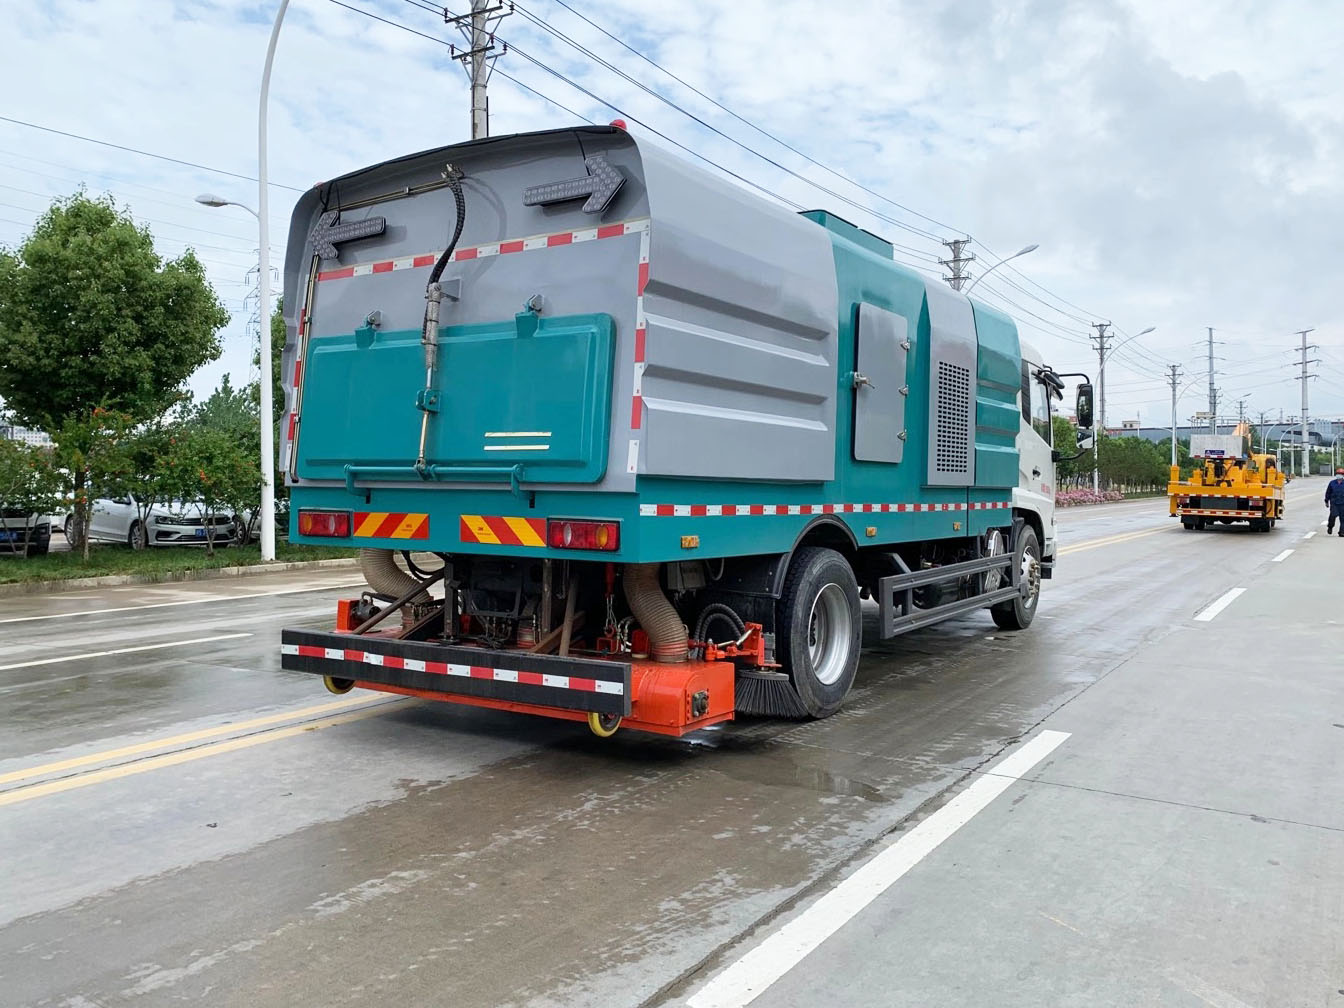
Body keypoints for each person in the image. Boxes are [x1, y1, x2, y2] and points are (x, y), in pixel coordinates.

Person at [1326, 468, 1344, 536]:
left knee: (1343, 519)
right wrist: (1326, 501)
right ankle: (1330, 527)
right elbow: (1328, 492)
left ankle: (1342, 532)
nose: (1339, 475)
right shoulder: (1332, 483)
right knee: (1332, 517)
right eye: (1338, 474)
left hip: (1343, 504)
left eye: (1341, 474)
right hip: (1334, 503)